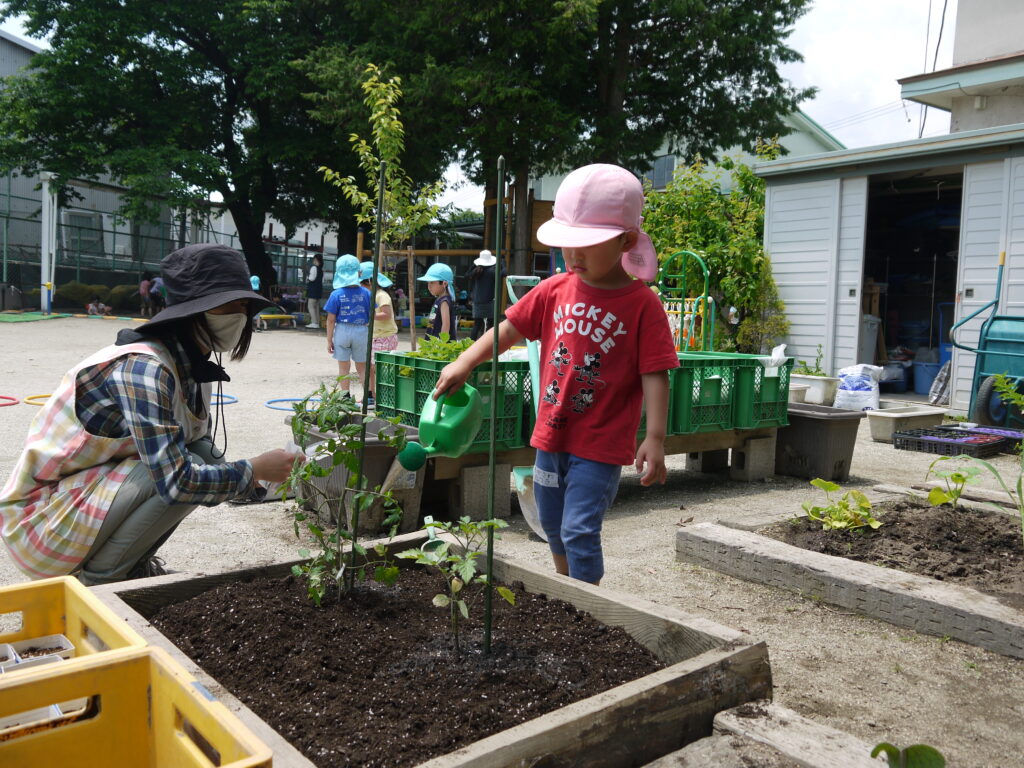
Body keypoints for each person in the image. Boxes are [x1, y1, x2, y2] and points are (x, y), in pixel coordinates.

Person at [434, 164, 677, 586]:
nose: (573, 255)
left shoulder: (642, 305)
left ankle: (585, 602)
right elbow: (508, 330)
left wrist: (655, 437)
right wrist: (465, 361)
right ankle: (566, 592)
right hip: (551, 434)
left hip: (600, 444)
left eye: (587, 244)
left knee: (579, 528)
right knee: (550, 521)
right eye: (567, 243)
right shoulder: (554, 289)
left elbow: (656, 374)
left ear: (626, 241)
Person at [0, 244, 302, 584]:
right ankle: (102, 584)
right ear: (193, 310)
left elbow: (202, 456)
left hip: (76, 505)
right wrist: (253, 469)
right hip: (39, 525)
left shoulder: (193, 368)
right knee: (181, 472)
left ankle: (131, 567)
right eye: (229, 304)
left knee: (201, 454)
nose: (241, 314)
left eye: (245, 305)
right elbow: (176, 482)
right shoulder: (144, 369)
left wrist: (261, 483)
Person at [324, 254, 372, 399]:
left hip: (342, 330)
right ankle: (369, 397)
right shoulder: (367, 293)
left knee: (344, 366)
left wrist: (329, 340)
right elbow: (372, 314)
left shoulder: (336, 294)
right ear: (359, 273)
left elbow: (330, 320)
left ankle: (345, 397)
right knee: (362, 366)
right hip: (362, 330)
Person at [359, 261, 398, 409]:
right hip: (376, 337)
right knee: (370, 367)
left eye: (362, 283)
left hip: (385, 337)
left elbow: (387, 315)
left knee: (378, 368)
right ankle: (371, 395)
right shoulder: (370, 295)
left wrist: (370, 316)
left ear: (369, 282)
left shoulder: (382, 296)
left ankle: (381, 397)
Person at [468, 249, 504, 340]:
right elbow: (504, 273)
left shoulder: (476, 271)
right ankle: (487, 342)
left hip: (477, 301)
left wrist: (474, 265)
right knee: (490, 324)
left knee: (477, 325)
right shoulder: (492, 272)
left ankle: (471, 343)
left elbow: (467, 274)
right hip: (489, 301)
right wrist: (502, 264)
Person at [418, 262, 456, 340]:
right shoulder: (439, 299)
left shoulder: (444, 302)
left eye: (432, 282)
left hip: (440, 344)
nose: (429, 287)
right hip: (433, 341)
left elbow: (446, 324)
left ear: (444, 284)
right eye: (428, 283)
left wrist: (441, 343)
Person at [306, 253, 325, 329]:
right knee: (316, 307)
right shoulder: (321, 270)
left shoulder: (314, 268)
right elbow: (322, 281)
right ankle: (317, 323)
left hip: (313, 289)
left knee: (310, 306)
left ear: (316, 259)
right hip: (319, 290)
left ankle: (314, 322)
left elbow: (312, 278)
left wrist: (308, 277)